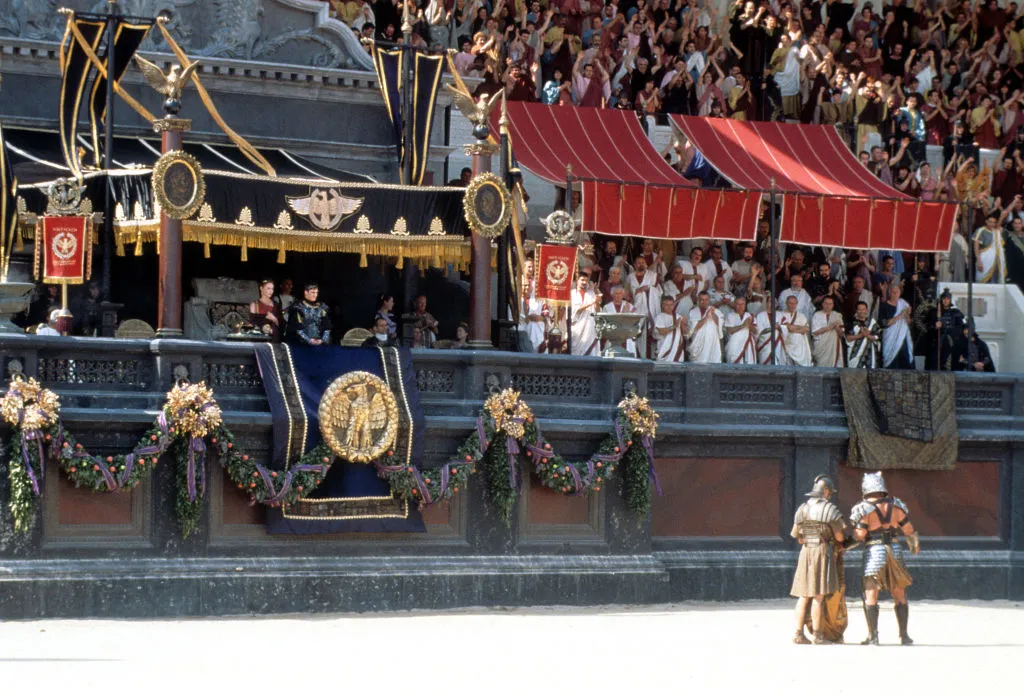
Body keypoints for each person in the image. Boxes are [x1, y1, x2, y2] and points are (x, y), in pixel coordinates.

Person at [850, 471, 920, 646]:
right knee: (899, 593)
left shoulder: (864, 508)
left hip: (874, 551)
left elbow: (860, 535)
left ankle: (873, 636)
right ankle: (904, 636)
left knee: (871, 593)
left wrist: (844, 544)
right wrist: (914, 546)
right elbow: (909, 530)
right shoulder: (896, 506)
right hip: (895, 550)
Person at [790, 475, 847, 645]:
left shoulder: (802, 509)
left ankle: (798, 633)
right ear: (826, 491)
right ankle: (818, 635)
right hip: (822, 551)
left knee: (803, 595)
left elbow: (797, 537)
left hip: (806, 551)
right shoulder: (830, 510)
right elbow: (839, 537)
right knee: (818, 596)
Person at [626, 255, 662, 358]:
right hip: (636, 309)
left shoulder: (653, 275)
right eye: (638, 262)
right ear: (634, 265)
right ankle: (637, 355)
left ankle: (651, 357)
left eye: (643, 262)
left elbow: (659, 291)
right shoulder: (630, 277)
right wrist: (636, 292)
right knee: (637, 334)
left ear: (646, 264)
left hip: (651, 309)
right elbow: (627, 293)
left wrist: (649, 289)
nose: (641, 264)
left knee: (650, 335)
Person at [923, 289, 965, 370]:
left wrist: (950, 331)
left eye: (947, 299)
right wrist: (935, 325)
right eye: (944, 299)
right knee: (933, 364)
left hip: (950, 342)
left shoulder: (955, 312)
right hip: (936, 341)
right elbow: (927, 326)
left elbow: (960, 328)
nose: (945, 301)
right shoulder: (934, 312)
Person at [879, 284, 914, 369]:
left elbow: (909, 322)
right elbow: (884, 323)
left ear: (900, 293)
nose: (895, 294)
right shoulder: (884, 306)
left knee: (904, 358)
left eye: (897, 292)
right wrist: (900, 315)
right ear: (889, 293)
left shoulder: (903, 304)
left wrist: (907, 315)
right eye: (893, 292)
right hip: (890, 337)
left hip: (902, 337)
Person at [286, 282, 331, 346]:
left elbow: (327, 326)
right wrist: (309, 340)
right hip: (301, 345)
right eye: (312, 292)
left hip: (320, 344)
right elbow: (297, 329)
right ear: (306, 292)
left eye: (316, 293)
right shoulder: (298, 308)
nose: (315, 295)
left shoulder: (322, 308)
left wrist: (322, 340)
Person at [687, 291, 723, 364]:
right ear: (698, 300)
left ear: (709, 300)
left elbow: (719, 324)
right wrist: (706, 317)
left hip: (712, 344)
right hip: (698, 344)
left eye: (706, 300)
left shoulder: (716, 311)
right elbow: (693, 328)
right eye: (702, 300)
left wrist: (713, 314)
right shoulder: (693, 312)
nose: (704, 302)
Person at [810, 296, 846, 367]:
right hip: (821, 345)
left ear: (833, 305)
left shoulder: (837, 315)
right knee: (820, 365)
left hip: (833, 345)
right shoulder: (816, 315)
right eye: (826, 303)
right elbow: (814, 332)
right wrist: (830, 327)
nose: (828, 306)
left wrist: (836, 327)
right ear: (822, 304)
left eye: (830, 304)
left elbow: (842, 334)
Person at [602, 285, 637, 356]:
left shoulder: (629, 306)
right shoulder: (607, 307)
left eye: (620, 293)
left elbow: (633, 322)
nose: (618, 296)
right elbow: (605, 323)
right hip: (612, 336)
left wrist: (628, 313)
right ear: (612, 295)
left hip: (627, 337)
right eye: (616, 293)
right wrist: (623, 313)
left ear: (623, 294)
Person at [571, 274, 601, 356]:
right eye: (582, 280)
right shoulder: (572, 294)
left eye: (586, 281)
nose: (584, 282)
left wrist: (597, 302)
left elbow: (597, 311)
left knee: (591, 352)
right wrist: (592, 302)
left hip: (589, 327)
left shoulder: (592, 293)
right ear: (577, 281)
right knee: (575, 353)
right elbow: (576, 310)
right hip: (576, 327)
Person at [846, 301, 882, 369]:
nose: (861, 311)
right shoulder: (851, 322)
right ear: (856, 310)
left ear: (866, 310)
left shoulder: (872, 322)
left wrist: (868, 335)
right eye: (859, 309)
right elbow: (848, 338)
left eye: (863, 309)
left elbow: (878, 336)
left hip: (870, 354)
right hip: (855, 353)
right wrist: (861, 335)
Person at [974, 213, 1007, 283]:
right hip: (984, 260)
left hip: (996, 261)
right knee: (983, 280)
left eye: (994, 222)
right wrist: (979, 261)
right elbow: (976, 247)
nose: (992, 224)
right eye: (990, 222)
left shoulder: (997, 232)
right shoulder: (981, 230)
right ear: (986, 221)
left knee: (995, 281)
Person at [724, 296, 758, 364]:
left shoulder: (750, 316)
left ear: (745, 305)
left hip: (748, 347)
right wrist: (742, 326)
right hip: (734, 346)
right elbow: (729, 331)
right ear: (734, 304)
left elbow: (756, 331)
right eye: (738, 304)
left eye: (742, 304)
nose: (740, 306)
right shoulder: (730, 315)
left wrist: (749, 325)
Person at [781, 295, 813, 367]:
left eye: (794, 303)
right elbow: (787, 328)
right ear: (786, 303)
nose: (792, 305)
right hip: (787, 343)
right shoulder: (781, 315)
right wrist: (800, 328)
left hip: (800, 346)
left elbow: (806, 329)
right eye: (790, 303)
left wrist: (792, 328)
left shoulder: (801, 315)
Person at [756, 296, 789, 365]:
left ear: (777, 304)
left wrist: (779, 327)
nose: (773, 303)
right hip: (765, 342)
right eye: (770, 301)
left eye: (775, 302)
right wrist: (773, 328)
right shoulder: (760, 315)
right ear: (767, 303)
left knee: (776, 333)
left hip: (777, 342)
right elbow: (760, 331)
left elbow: (786, 328)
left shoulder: (781, 315)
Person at [654, 295, 688, 363]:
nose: (669, 307)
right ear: (663, 305)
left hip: (677, 351)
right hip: (664, 349)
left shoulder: (678, 317)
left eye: (671, 304)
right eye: (667, 305)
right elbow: (661, 332)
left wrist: (683, 324)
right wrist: (674, 326)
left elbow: (686, 333)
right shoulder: (660, 317)